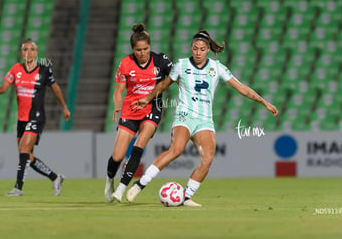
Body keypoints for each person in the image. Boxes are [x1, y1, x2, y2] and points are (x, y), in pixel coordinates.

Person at [127, 30, 278, 207]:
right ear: (191, 48)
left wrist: (263, 102)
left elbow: (242, 88)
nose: (198, 52)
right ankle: (139, 185)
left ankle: (186, 196)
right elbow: (163, 85)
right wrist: (146, 98)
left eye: (202, 49)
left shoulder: (217, 68)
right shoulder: (181, 65)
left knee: (208, 158)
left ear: (208, 50)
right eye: (195, 48)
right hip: (185, 115)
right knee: (176, 150)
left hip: (205, 120)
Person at [0, 38, 71, 196]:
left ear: (36, 53)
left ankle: (18, 188)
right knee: (27, 156)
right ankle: (55, 177)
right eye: (25, 49)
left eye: (31, 49)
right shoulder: (16, 69)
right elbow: (6, 86)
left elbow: (55, 88)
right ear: (21, 53)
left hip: (36, 116)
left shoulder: (44, 70)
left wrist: (64, 106)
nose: (28, 52)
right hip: (22, 119)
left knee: (23, 149)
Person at [105, 23, 172, 202]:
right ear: (132, 49)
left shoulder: (160, 61)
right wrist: (117, 106)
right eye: (138, 50)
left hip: (152, 107)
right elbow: (118, 91)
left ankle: (121, 189)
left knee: (138, 146)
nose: (142, 53)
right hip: (130, 108)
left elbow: (175, 76)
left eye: (146, 49)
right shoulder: (126, 63)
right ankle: (110, 178)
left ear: (150, 46)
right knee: (118, 156)